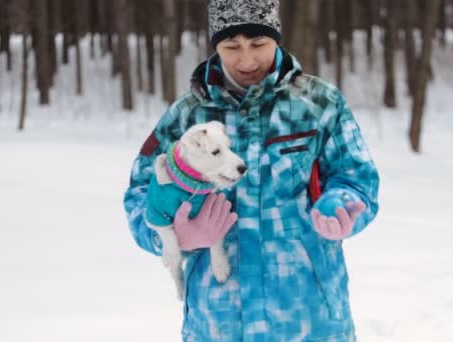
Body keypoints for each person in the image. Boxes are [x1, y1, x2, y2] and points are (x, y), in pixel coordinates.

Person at [123, 0, 380, 340]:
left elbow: (356, 177)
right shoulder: (186, 119)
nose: (246, 60)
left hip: (310, 320)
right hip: (218, 324)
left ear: (277, 37)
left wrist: (341, 204)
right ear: (215, 44)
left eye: (258, 44)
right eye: (232, 47)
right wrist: (174, 236)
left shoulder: (319, 103)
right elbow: (141, 194)